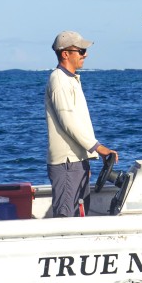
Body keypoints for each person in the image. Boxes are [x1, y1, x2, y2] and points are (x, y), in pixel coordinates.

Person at [45, 30, 117, 217]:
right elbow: (68, 121)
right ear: (65, 53)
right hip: (67, 163)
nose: (86, 54)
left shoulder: (70, 79)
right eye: (81, 50)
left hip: (76, 161)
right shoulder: (59, 80)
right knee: (66, 218)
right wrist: (98, 148)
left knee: (79, 214)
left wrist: (86, 157)